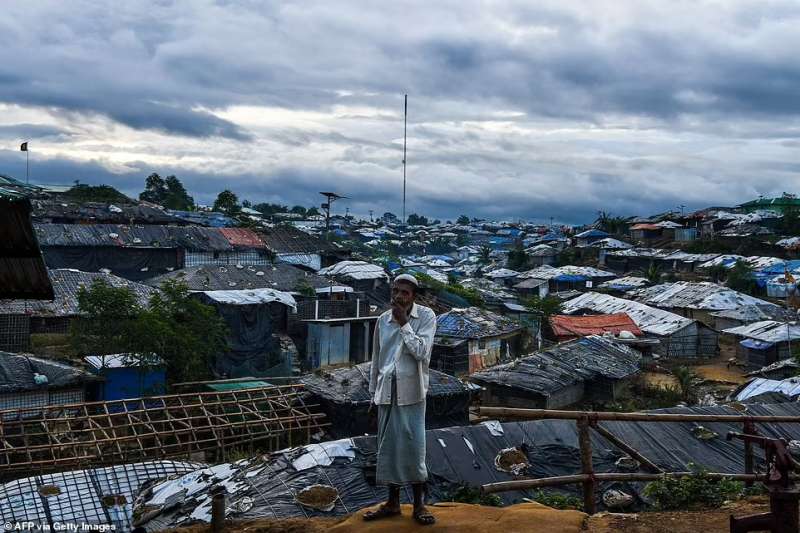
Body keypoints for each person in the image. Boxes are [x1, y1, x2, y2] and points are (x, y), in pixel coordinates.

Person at [363, 273, 437, 525]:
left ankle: (419, 504)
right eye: (395, 291)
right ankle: (393, 502)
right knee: (388, 448)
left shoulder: (425, 317)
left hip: (412, 393)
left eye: (405, 292)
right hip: (386, 391)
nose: (398, 296)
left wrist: (404, 323)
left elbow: (421, 352)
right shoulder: (382, 320)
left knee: (414, 447)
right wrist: (373, 395)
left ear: (413, 296)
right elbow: (377, 360)